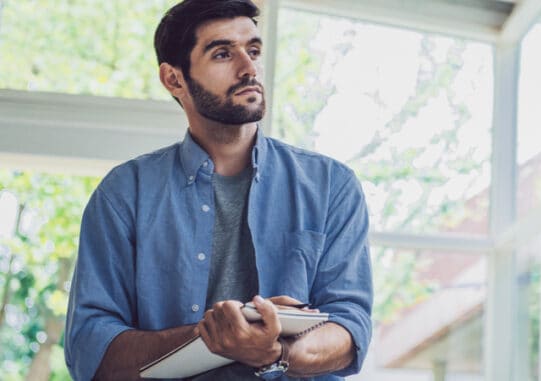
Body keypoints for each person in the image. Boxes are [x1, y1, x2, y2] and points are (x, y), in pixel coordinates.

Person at [63, 0, 373, 379]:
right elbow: (90, 349)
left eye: (254, 50)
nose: (249, 68)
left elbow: (350, 327)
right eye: (223, 53)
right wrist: (211, 337)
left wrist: (274, 350)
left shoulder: (331, 186)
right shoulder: (123, 194)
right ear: (174, 79)